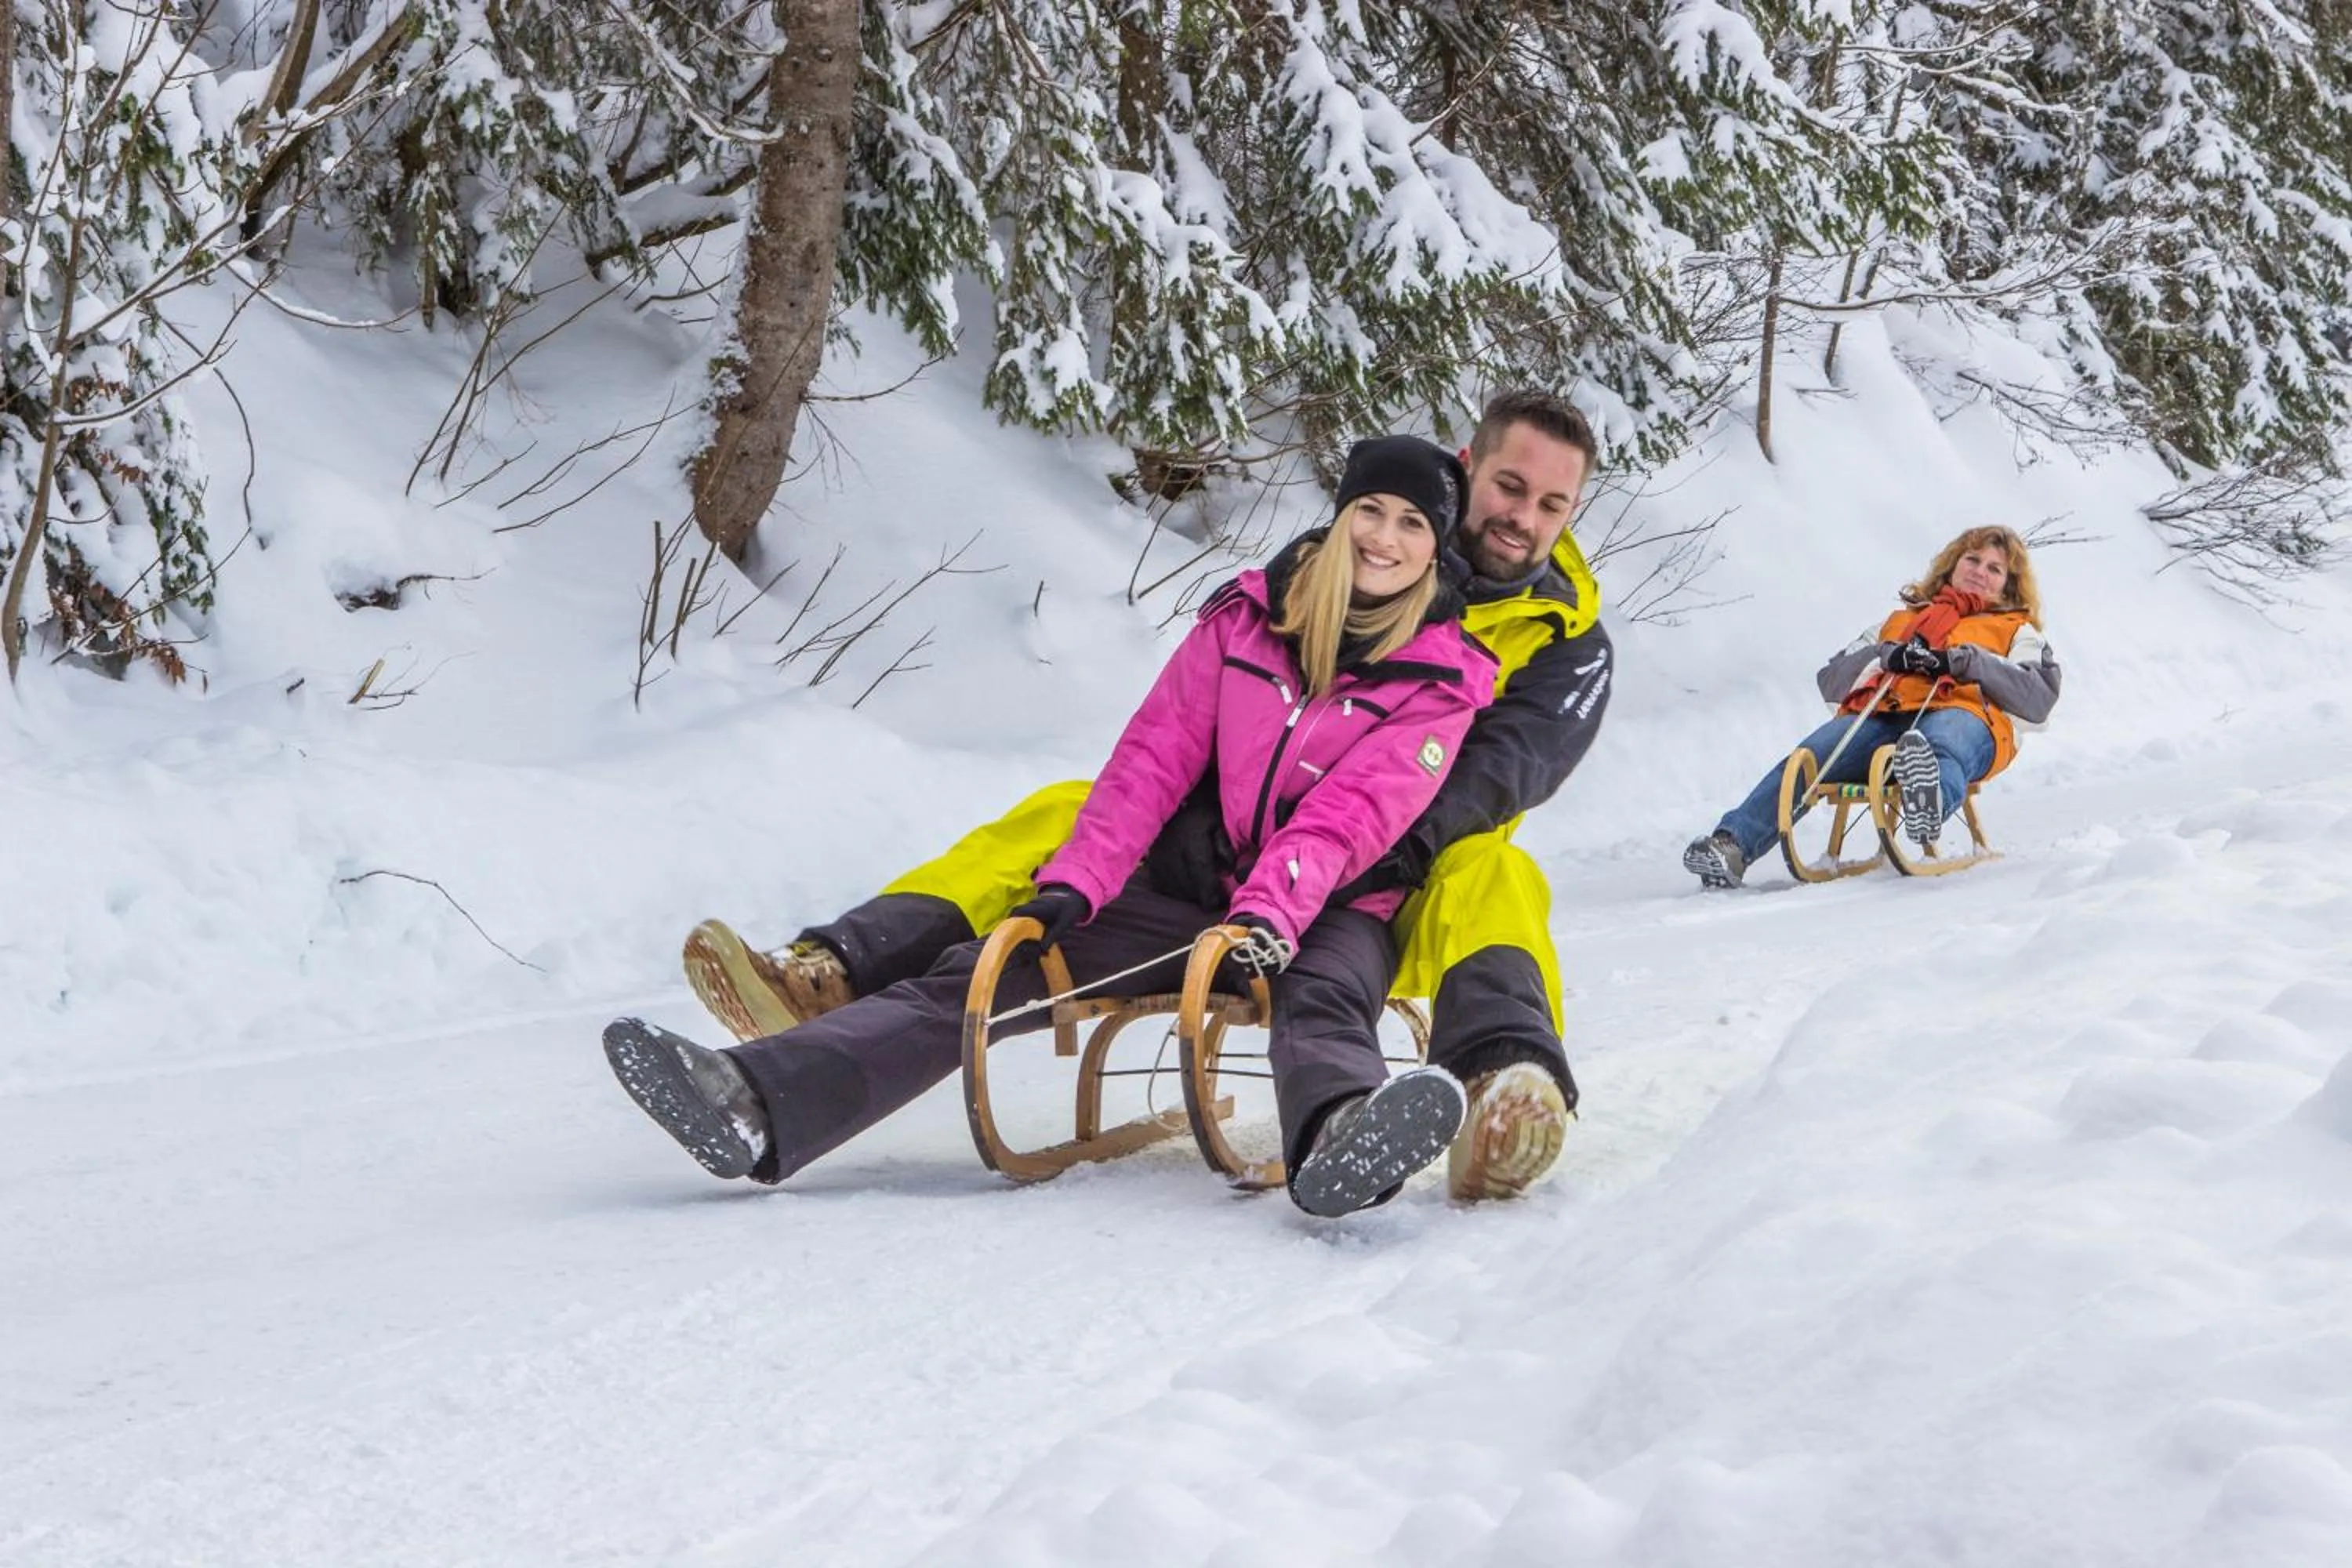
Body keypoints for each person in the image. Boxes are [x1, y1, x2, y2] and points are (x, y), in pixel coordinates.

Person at [683, 390, 1614, 1203]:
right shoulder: (1296, 585)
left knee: (1491, 870)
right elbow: (1171, 744)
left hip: (1388, 880)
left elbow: (1473, 789)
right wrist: (1176, 854)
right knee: (1068, 820)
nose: (1522, 516)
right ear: (1466, 469)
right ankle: (833, 979)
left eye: (1551, 504)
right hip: (1239, 860)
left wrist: (1289, 889)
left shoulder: (1545, 650)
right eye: (1508, 487)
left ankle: (1500, 1085)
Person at [1683, 525, 2062, 889]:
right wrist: (1887, 656)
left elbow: (2038, 696)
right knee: (1810, 758)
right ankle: (1731, 845)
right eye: (1973, 560)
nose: (1980, 572)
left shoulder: (2016, 630)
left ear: (2008, 585)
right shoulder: (1899, 621)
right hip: (1881, 714)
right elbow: (1831, 678)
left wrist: (1961, 661)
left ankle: (1927, 801)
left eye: (1994, 569)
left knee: (1941, 742)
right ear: (1953, 564)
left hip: (1963, 714)